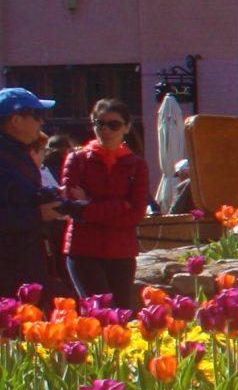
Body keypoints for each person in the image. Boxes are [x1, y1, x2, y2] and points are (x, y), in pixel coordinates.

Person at [61, 98, 148, 310]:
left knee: (121, 314)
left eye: (114, 124)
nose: (106, 130)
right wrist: (120, 205)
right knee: (98, 312)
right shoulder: (78, 159)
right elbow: (71, 207)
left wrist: (90, 206)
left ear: (126, 127)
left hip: (121, 251)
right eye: (100, 124)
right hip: (84, 249)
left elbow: (136, 213)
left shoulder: (136, 165)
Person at [0, 88, 62, 300]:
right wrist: (38, 214)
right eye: (37, 116)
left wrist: (50, 195)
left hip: (28, 259)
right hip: (8, 269)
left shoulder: (19, 153)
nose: (42, 123)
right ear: (16, 120)